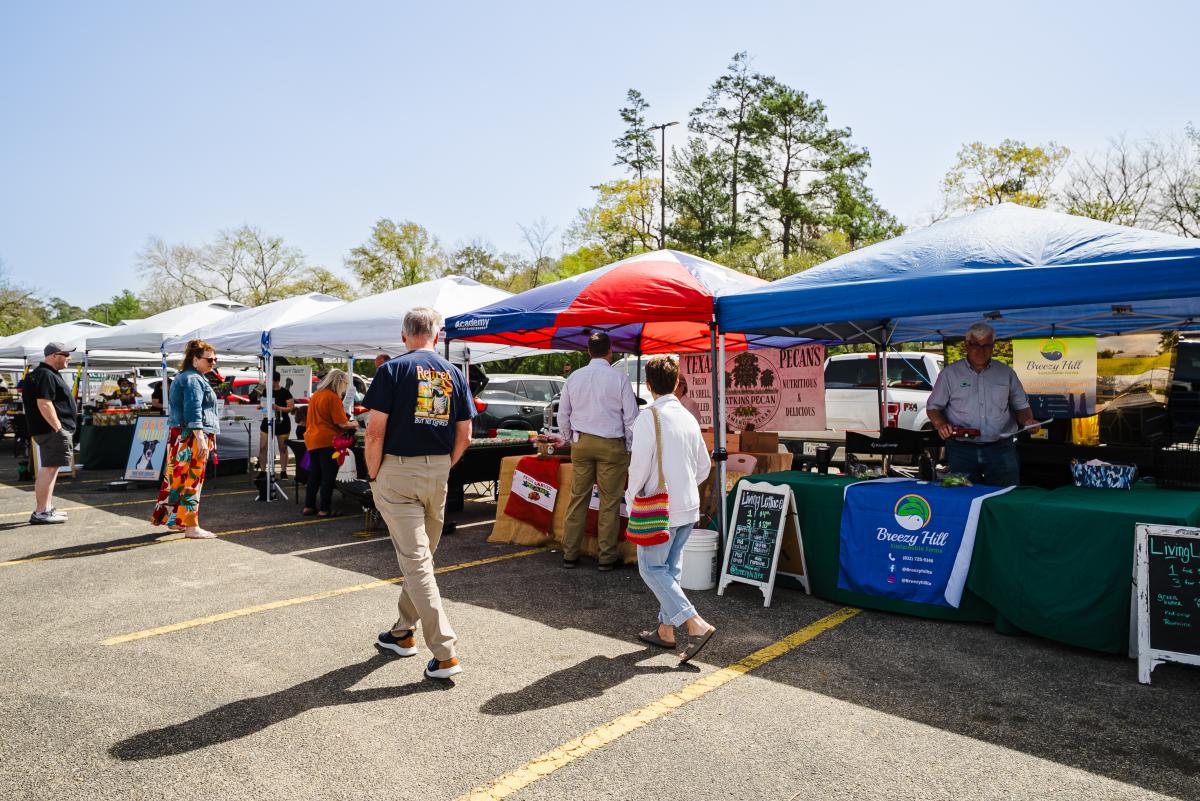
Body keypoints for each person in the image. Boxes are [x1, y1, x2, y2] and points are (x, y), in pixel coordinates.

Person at [364, 307, 474, 680]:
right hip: (437, 471)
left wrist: (374, 474)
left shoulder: (392, 369)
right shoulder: (454, 372)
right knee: (422, 558)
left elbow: (374, 432)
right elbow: (466, 435)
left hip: (397, 470)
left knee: (417, 562)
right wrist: (444, 465)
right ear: (437, 336)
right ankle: (402, 633)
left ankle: (445, 653)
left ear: (403, 335)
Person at [627, 356, 716, 663]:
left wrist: (631, 498)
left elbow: (637, 469)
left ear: (649, 386)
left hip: (659, 507)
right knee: (670, 569)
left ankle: (694, 623)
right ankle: (666, 631)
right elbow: (704, 466)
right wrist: (684, 485)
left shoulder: (648, 417)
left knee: (651, 569)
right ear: (678, 382)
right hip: (688, 506)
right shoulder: (688, 417)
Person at [557, 332, 639, 570]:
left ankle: (570, 553)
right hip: (612, 445)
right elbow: (631, 418)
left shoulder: (574, 377)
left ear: (589, 351)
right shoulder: (620, 378)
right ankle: (606, 557)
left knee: (577, 499)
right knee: (610, 502)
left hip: (582, 442)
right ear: (610, 350)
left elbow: (563, 414)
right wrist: (630, 447)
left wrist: (568, 439)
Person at [927, 322, 1036, 486]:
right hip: (961, 449)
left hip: (1001, 448)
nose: (981, 350)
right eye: (976, 345)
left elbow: (1021, 407)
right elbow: (933, 407)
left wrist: (1028, 421)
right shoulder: (950, 374)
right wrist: (941, 424)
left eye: (986, 345)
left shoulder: (1006, 373)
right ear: (966, 345)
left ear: (993, 346)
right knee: (963, 498)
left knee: (1004, 497)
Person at [151, 340, 221, 538]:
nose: (213, 362)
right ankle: (191, 526)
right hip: (191, 436)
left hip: (181, 436)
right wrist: (200, 437)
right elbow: (193, 409)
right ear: (195, 359)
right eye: (210, 359)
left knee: (178, 480)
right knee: (192, 481)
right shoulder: (193, 379)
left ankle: (175, 521)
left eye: (215, 359)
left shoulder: (187, 377)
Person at [22, 342, 78, 525]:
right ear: (54, 355)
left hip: (46, 430)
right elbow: (44, 403)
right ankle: (41, 511)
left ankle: (45, 508)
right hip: (51, 431)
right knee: (50, 468)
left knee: (50, 468)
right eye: (66, 354)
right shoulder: (45, 374)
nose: (69, 357)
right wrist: (58, 428)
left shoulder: (43, 374)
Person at [303, 369, 358, 517]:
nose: (345, 387)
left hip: (312, 439)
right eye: (345, 383)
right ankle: (324, 509)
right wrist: (354, 424)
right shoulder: (332, 397)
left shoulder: (316, 395)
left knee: (315, 474)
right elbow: (341, 423)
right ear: (339, 382)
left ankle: (308, 506)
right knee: (328, 476)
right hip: (328, 440)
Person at [257, 371, 295, 478]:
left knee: (282, 448)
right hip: (267, 421)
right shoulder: (266, 391)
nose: (267, 382)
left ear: (276, 381)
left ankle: (283, 471)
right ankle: (263, 471)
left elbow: (291, 408)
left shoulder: (285, 392)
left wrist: (278, 408)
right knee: (262, 447)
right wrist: (261, 406)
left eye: (269, 380)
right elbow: (264, 404)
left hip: (282, 423)